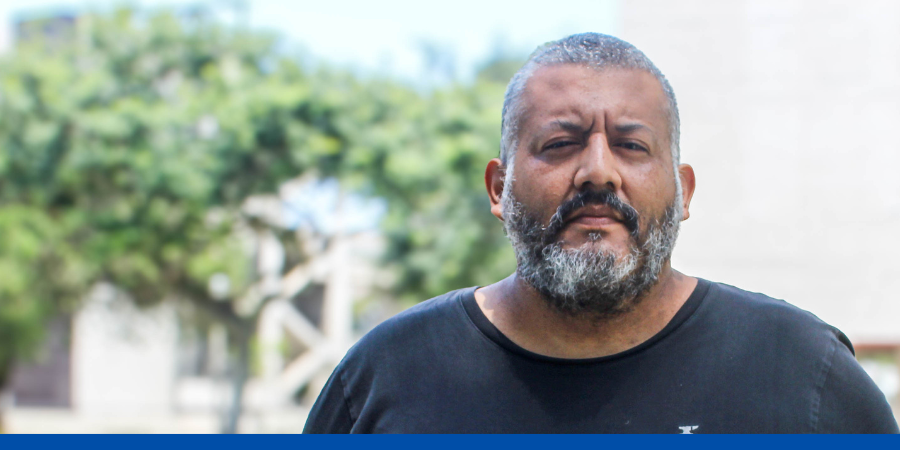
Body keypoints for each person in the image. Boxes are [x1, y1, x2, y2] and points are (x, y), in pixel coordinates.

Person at [303, 33, 899, 433]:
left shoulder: (802, 374)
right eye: (560, 144)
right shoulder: (387, 377)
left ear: (684, 192)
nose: (598, 172)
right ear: (499, 188)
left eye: (632, 146)